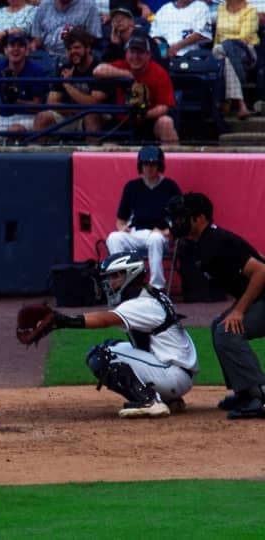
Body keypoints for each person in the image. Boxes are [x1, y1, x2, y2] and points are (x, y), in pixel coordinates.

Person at [46, 251, 197, 418]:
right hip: (174, 371)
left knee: (102, 355)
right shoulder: (150, 295)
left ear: (130, 274)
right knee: (112, 346)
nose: (108, 283)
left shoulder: (142, 304)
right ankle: (169, 400)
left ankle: (149, 401)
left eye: (114, 277)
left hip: (172, 375)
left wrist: (63, 321)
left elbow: (105, 319)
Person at [167, 192, 265, 420]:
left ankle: (258, 396)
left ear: (199, 218)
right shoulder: (204, 242)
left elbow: (261, 271)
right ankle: (244, 391)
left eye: (183, 217)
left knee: (227, 330)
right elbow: (255, 257)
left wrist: (239, 311)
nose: (178, 222)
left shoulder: (217, 242)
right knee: (219, 324)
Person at [105, 145, 181, 291]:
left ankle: (156, 287)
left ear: (159, 165)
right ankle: (123, 283)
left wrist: (166, 232)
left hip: (160, 235)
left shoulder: (170, 186)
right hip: (136, 233)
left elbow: (180, 219)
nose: (149, 168)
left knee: (155, 239)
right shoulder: (132, 187)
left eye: (153, 164)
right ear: (140, 166)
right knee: (114, 237)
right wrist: (122, 228)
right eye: (145, 164)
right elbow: (120, 220)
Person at [93, 35, 179, 143]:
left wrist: (143, 114)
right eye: (132, 52)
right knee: (106, 143)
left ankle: (171, 158)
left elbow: (165, 106)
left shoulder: (159, 73)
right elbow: (97, 71)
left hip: (150, 121)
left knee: (166, 122)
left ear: (148, 55)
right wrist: (126, 74)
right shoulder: (122, 65)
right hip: (123, 121)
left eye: (140, 53)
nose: (135, 56)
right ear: (126, 54)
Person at [32, 28, 109, 139]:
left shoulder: (100, 69)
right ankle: (37, 155)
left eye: (77, 47)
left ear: (88, 48)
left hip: (98, 117)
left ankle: (92, 154)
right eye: (69, 49)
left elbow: (93, 104)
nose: (73, 52)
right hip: (70, 116)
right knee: (42, 117)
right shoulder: (65, 68)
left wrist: (67, 85)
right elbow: (52, 102)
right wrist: (75, 110)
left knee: (91, 116)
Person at [0, 31, 49, 137]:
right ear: (5, 50)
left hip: (30, 117)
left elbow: (38, 106)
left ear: (26, 51)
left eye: (20, 46)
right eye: (12, 45)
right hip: (5, 118)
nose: (16, 49)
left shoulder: (36, 70)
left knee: (14, 131)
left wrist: (16, 101)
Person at [213, 0, 259, 120]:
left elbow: (244, 38)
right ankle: (241, 105)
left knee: (226, 55)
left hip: (244, 51)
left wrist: (225, 45)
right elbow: (217, 35)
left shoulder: (250, 10)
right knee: (225, 57)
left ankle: (229, 101)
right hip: (220, 51)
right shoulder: (221, 8)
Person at [29, 0, 102, 57]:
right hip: (47, 55)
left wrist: (76, 37)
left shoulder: (89, 5)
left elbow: (93, 37)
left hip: (76, 56)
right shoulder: (44, 5)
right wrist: (33, 46)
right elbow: (37, 38)